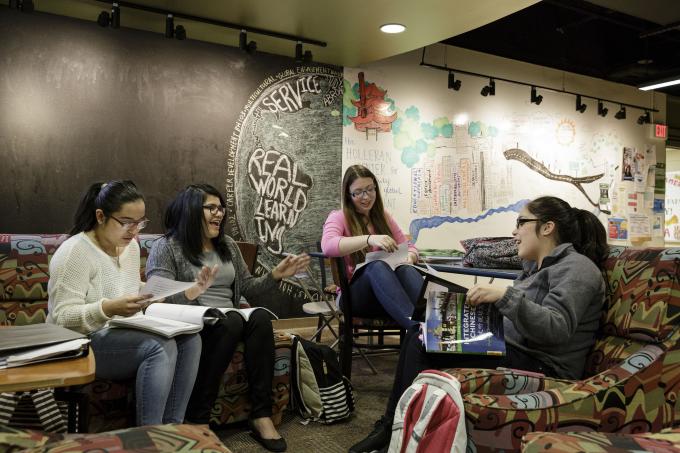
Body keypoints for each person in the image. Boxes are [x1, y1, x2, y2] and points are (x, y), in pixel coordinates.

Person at [349, 196, 608, 453]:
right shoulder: (534, 269)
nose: (514, 231)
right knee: (422, 332)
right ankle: (398, 429)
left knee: (421, 343)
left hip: (543, 365)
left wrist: (504, 297)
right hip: (515, 350)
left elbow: (556, 329)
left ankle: (397, 431)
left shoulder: (577, 268)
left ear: (547, 227)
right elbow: (521, 317)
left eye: (521, 222)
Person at [145, 184, 309, 453]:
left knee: (258, 319)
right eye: (211, 207)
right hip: (194, 322)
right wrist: (193, 290)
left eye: (221, 207)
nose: (219, 213)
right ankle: (198, 418)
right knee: (231, 321)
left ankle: (261, 415)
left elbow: (248, 288)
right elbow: (156, 297)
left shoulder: (228, 246)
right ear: (190, 210)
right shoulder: (167, 247)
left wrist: (275, 275)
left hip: (230, 318)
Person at [47, 180, 202, 426]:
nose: (134, 231)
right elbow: (62, 318)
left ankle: (173, 430)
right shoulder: (74, 252)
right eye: (126, 222)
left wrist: (152, 292)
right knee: (160, 347)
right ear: (100, 216)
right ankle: (149, 436)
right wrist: (108, 308)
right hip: (80, 342)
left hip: (122, 331)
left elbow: (124, 286)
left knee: (191, 340)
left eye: (140, 223)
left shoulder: (129, 247)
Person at [321, 165, 423, 329]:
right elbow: (328, 246)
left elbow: (409, 246)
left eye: (370, 189)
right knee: (375, 267)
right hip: (354, 298)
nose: (366, 196)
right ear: (348, 194)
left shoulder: (383, 217)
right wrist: (369, 239)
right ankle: (420, 333)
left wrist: (410, 257)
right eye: (358, 192)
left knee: (406, 269)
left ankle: (434, 325)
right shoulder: (339, 217)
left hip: (387, 296)